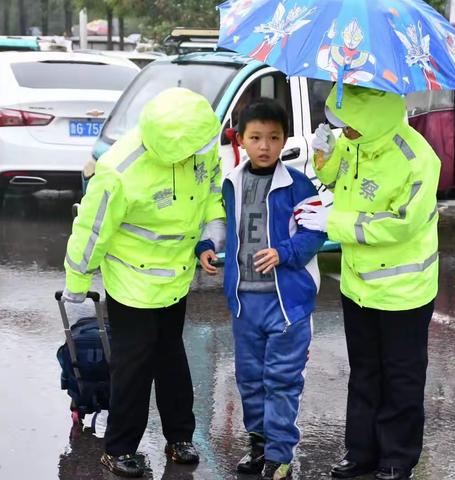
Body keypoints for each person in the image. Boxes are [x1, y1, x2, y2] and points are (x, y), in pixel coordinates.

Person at [61, 87, 225, 478]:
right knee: (133, 368)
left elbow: (211, 193)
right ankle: (118, 448)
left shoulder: (200, 148)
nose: (193, 156)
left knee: (171, 358)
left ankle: (179, 437)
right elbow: (92, 227)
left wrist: (209, 237)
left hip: (177, 278)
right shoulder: (120, 169)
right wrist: (77, 279)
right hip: (133, 281)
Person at [295, 84, 440, 480]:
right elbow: (334, 173)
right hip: (358, 285)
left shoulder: (418, 159)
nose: (346, 133)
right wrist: (322, 147)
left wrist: (334, 224)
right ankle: (360, 452)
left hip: (402, 291)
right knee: (363, 373)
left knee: (401, 376)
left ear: (371, 119)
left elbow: (402, 222)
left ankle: (396, 457)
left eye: (350, 127)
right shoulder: (355, 141)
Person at [196, 98, 327, 480]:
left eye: (273, 137)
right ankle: (258, 445)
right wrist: (207, 246)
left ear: (284, 140)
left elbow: (314, 233)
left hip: (287, 304)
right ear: (241, 140)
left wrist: (284, 253)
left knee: (282, 380)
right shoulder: (232, 183)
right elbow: (221, 224)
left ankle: (280, 454)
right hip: (245, 302)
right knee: (249, 379)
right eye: (256, 137)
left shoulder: (299, 184)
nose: (265, 145)